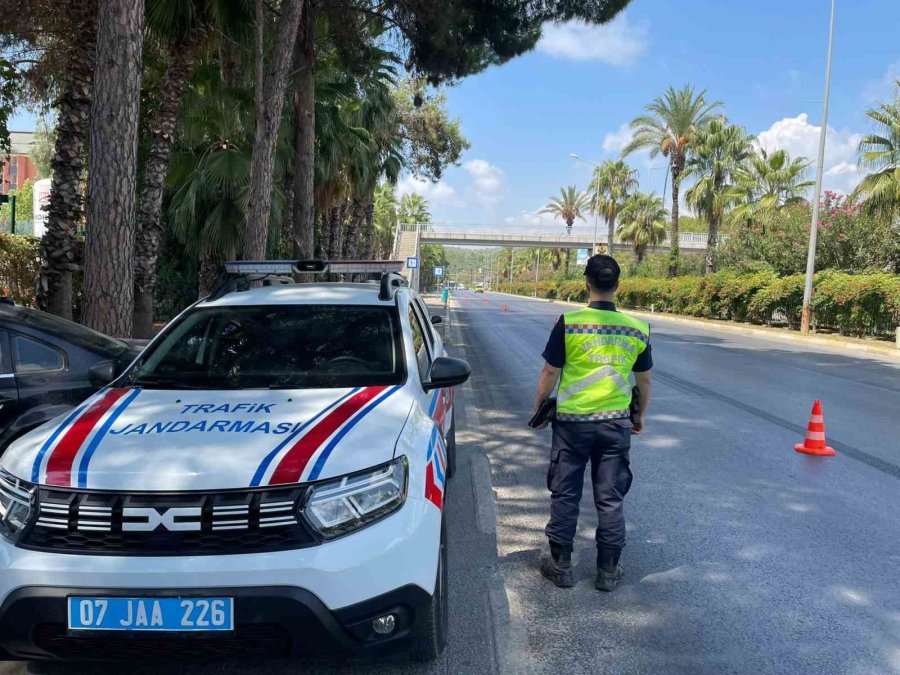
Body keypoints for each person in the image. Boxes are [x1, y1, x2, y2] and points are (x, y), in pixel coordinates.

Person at [532, 254, 653, 592]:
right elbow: (644, 381)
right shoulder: (637, 328)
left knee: (566, 493)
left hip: (572, 425)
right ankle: (608, 572)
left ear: (586, 283)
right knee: (611, 498)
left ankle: (561, 566)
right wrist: (639, 415)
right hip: (615, 426)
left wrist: (540, 407)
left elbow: (550, 372)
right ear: (618, 285)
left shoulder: (568, 323)